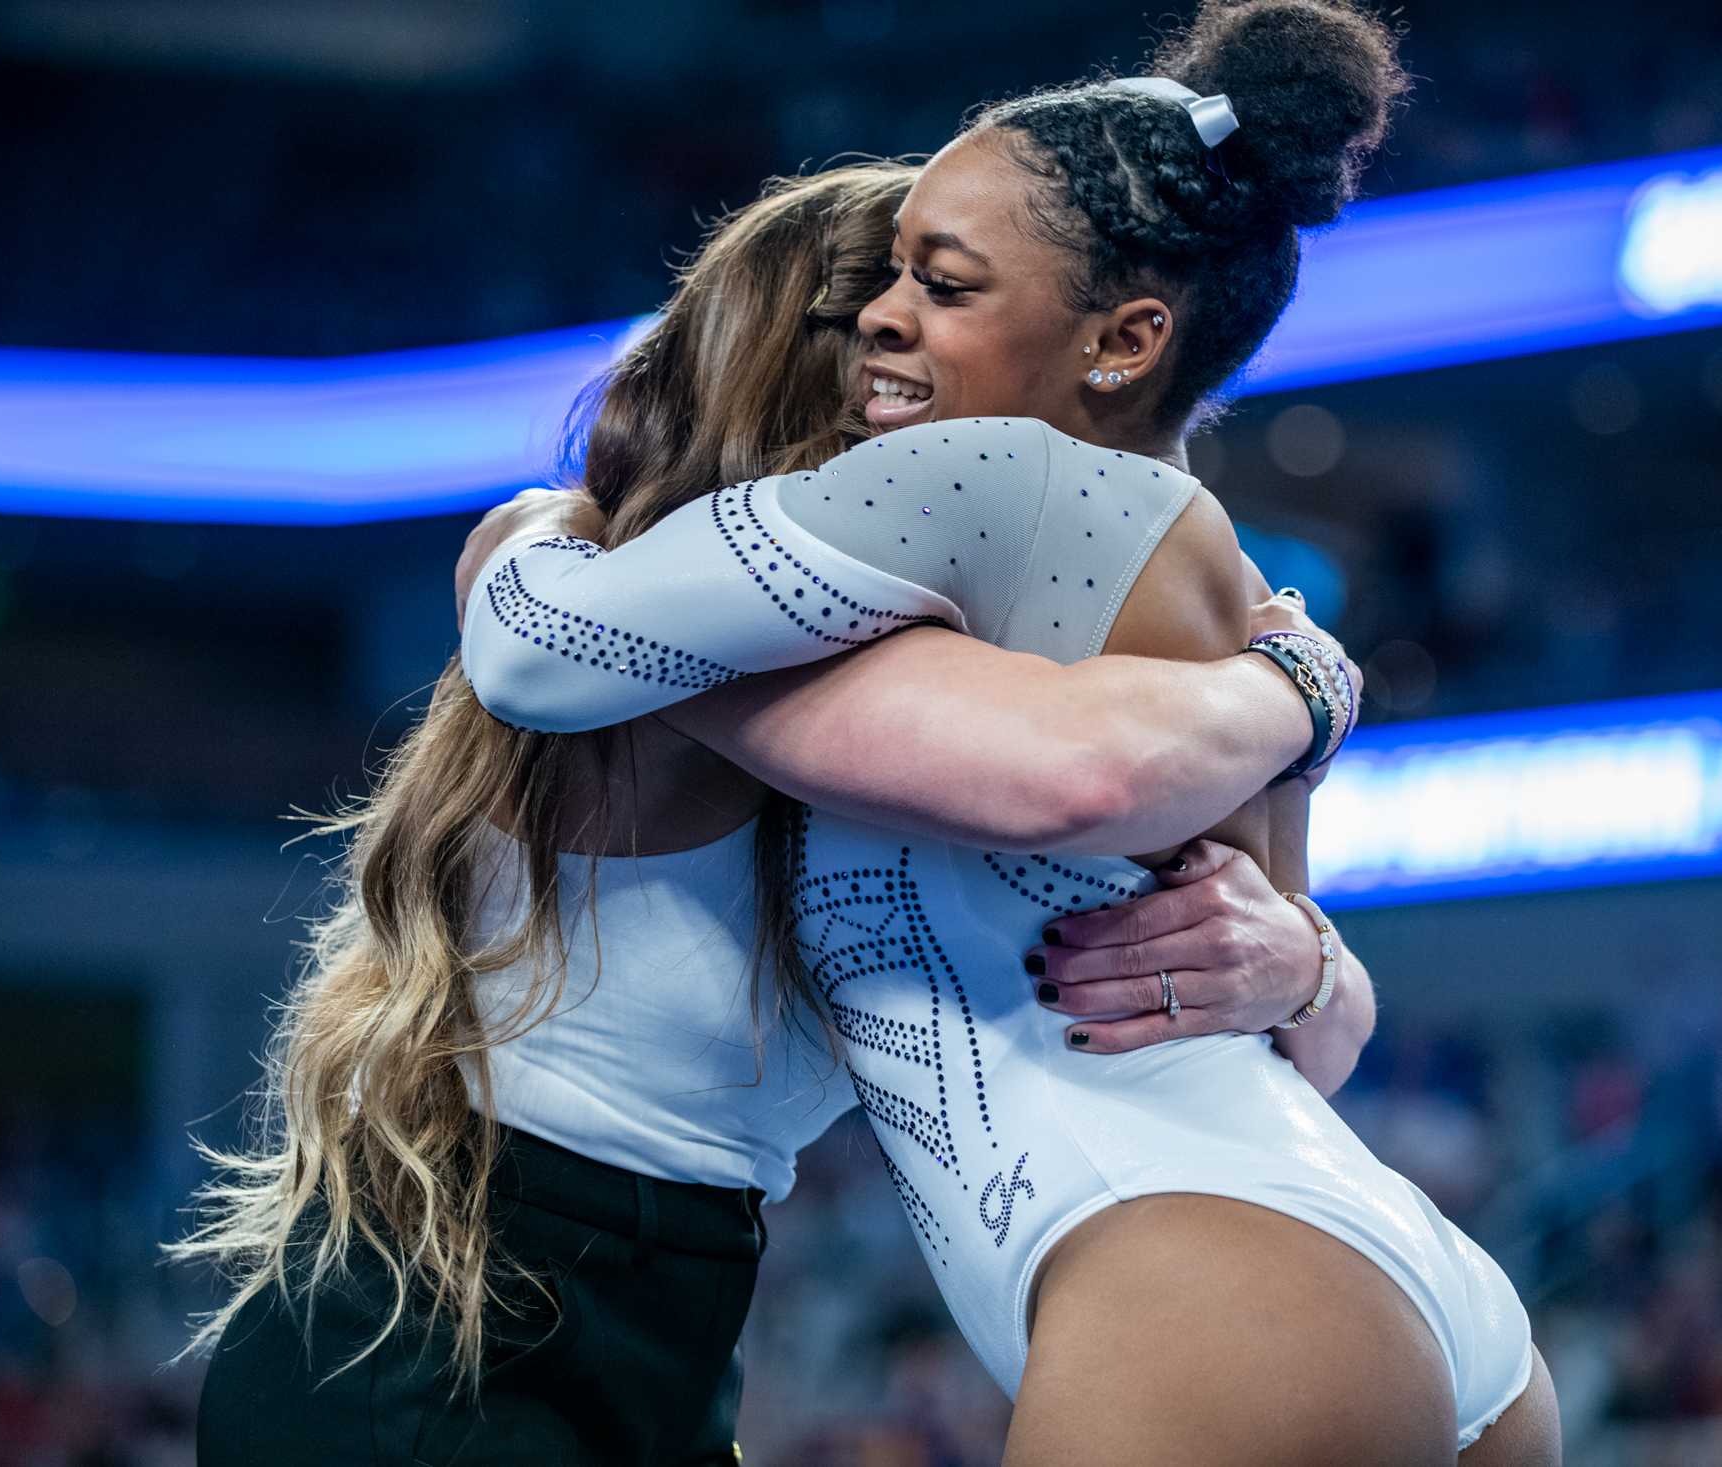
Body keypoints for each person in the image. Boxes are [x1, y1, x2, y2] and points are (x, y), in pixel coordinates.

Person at [457, 2, 1564, 1461]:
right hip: (1382, 1286)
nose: (879, 317)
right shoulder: (1226, 582)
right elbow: (1303, 1009)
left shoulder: (992, 479)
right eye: (894, 269)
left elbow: (543, 652)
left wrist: (530, 533)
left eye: (946, 282)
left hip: (1199, 1285)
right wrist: (1310, 902)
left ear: (1124, 341)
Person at [179, 161, 1376, 1465]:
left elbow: (1304, 1050)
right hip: (439, 1346)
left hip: (652, 1330)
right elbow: (1079, 771)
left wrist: (1301, 964)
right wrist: (1302, 687)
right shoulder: (672, 624)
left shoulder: (850, 641)